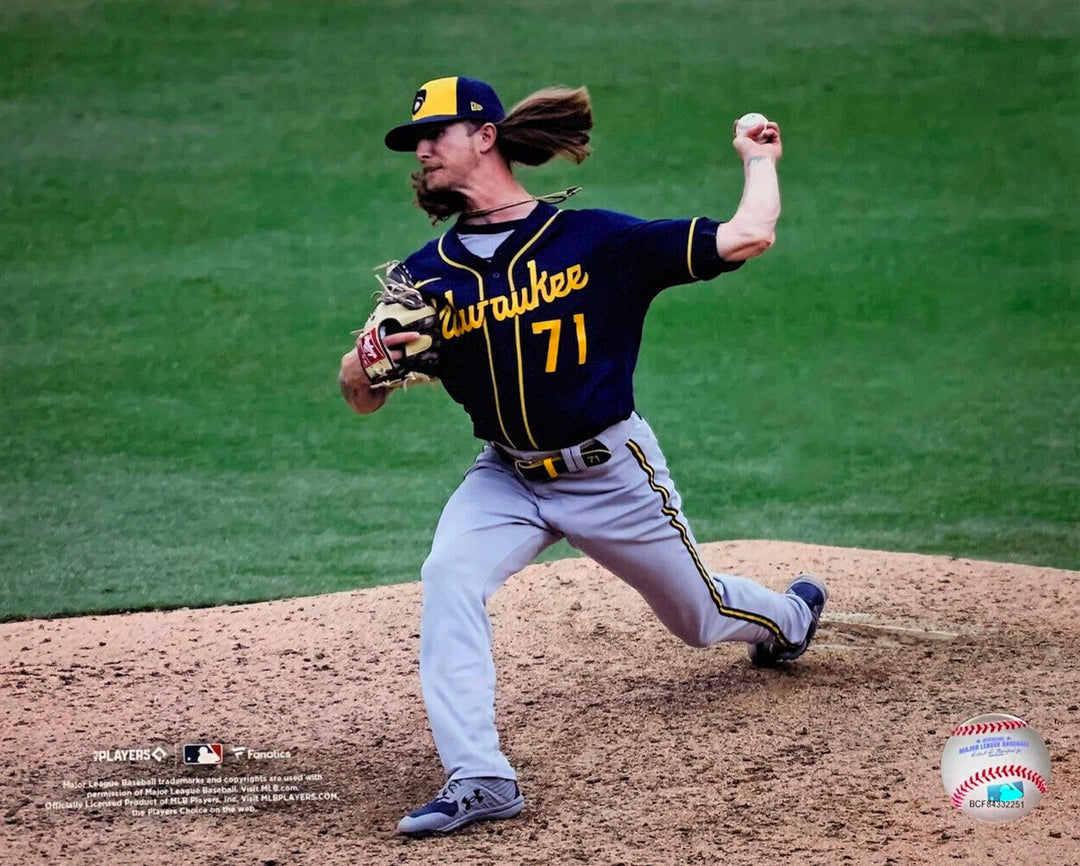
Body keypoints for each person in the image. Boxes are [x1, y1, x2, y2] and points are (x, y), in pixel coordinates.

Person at [338, 76, 827, 837]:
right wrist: (363, 358)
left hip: (611, 476)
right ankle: (480, 777)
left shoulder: (597, 241)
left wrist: (760, 161)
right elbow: (360, 396)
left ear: (486, 135)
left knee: (700, 617)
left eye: (436, 133)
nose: (423, 150)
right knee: (448, 576)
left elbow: (747, 236)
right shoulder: (424, 278)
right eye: (415, 141)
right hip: (504, 477)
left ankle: (788, 618)